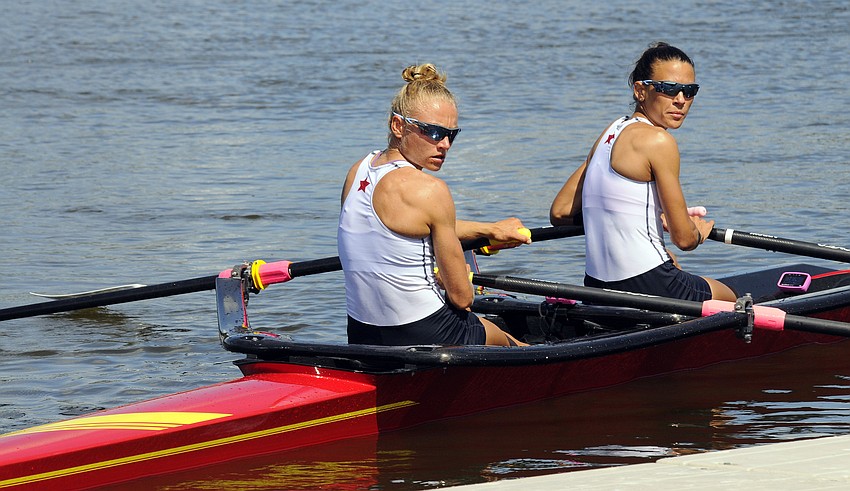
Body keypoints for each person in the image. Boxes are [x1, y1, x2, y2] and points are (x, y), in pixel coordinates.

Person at [338, 63, 530, 347]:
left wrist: (489, 229)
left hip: (362, 333)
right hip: (427, 333)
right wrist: (455, 278)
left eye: (451, 134)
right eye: (433, 132)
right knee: (511, 341)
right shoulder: (431, 190)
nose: (445, 145)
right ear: (398, 125)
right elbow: (463, 299)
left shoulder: (358, 171)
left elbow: (400, 229)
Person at [549, 42, 736, 302]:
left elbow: (560, 212)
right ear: (640, 90)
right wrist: (697, 232)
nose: (680, 100)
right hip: (651, 285)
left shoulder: (611, 131)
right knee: (732, 300)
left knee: (673, 264)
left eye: (689, 91)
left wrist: (636, 218)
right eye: (668, 89)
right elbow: (683, 239)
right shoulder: (659, 141)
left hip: (595, 288)